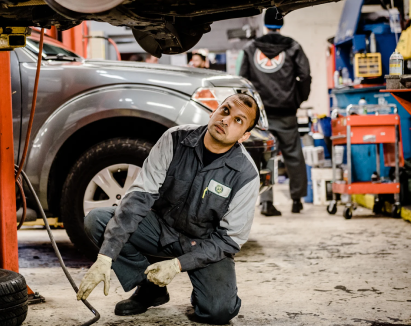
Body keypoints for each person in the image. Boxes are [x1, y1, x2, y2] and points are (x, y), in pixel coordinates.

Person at [76, 93, 261, 324]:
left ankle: (203, 290)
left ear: (244, 136)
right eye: (225, 110)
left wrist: (179, 265)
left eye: (238, 120)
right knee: (97, 220)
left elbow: (230, 240)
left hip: (203, 243)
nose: (226, 120)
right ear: (214, 111)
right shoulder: (175, 139)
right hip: (159, 228)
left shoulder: (246, 174)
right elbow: (139, 196)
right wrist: (105, 257)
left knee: (218, 311)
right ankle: (150, 289)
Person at [238, 7, 311, 216]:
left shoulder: (251, 48)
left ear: (265, 24)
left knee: (265, 155)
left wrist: (249, 107)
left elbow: (243, 79)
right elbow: (305, 76)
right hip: (287, 112)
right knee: (294, 156)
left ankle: (266, 203)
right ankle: (297, 201)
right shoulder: (294, 46)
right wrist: (298, 99)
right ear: (281, 25)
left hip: (261, 114)